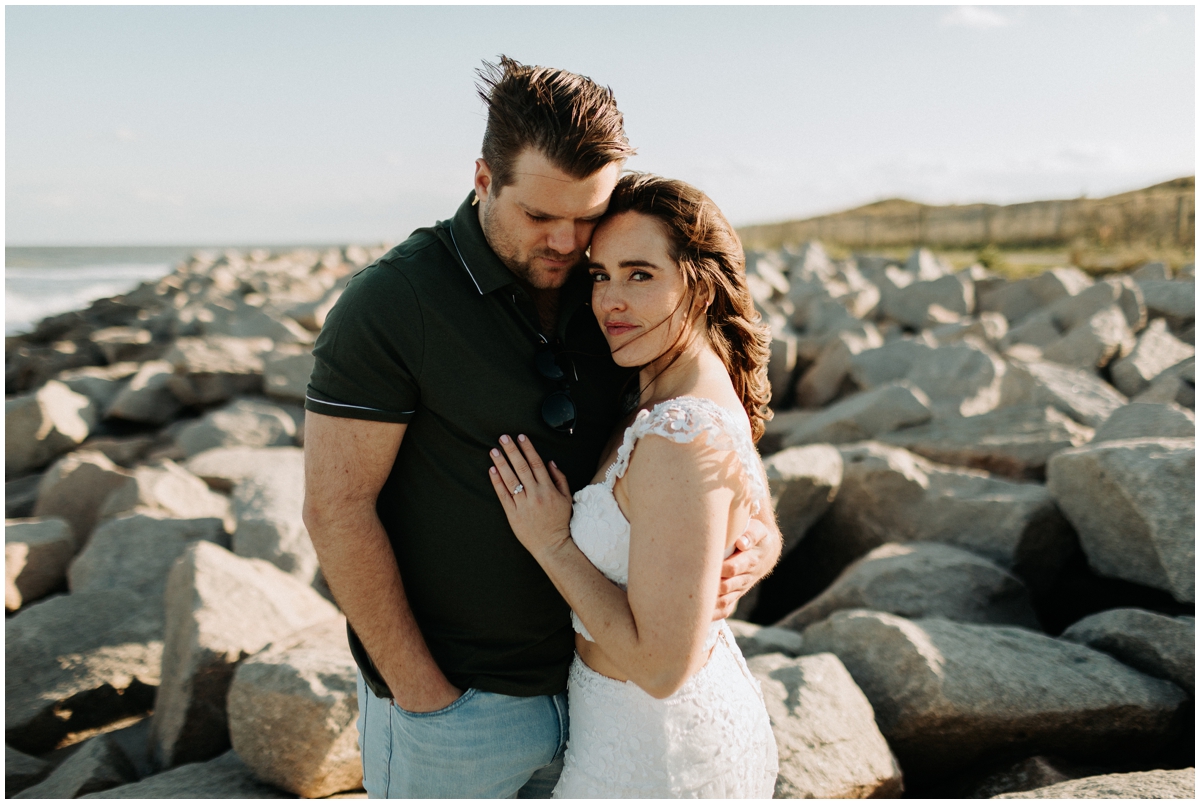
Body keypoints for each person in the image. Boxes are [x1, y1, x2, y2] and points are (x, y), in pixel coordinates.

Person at [302, 57, 782, 799]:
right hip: (463, 713)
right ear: (484, 179)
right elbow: (336, 509)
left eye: (586, 217)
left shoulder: (611, 294)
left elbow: (704, 433)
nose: (566, 243)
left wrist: (757, 536)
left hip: (604, 704)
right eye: (539, 217)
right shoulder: (393, 304)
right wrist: (424, 698)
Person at [487, 172, 779, 798]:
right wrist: (765, 540)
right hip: (634, 735)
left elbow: (662, 668)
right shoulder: (667, 391)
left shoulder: (680, 431)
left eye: (640, 274)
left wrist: (552, 544)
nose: (609, 301)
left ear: (699, 284)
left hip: (658, 757)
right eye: (600, 275)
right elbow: (740, 505)